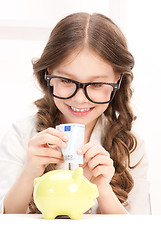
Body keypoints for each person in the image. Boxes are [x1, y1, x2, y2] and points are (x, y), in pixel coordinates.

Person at [0, 12, 150, 215]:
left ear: (117, 80)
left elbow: (138, 230)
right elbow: (6, 219)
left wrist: (102, 189)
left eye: (96, 84)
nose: (80, 99)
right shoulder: (23, 134)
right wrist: (29, 173)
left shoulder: (131, 147)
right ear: (48, 75)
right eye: (67, 81)